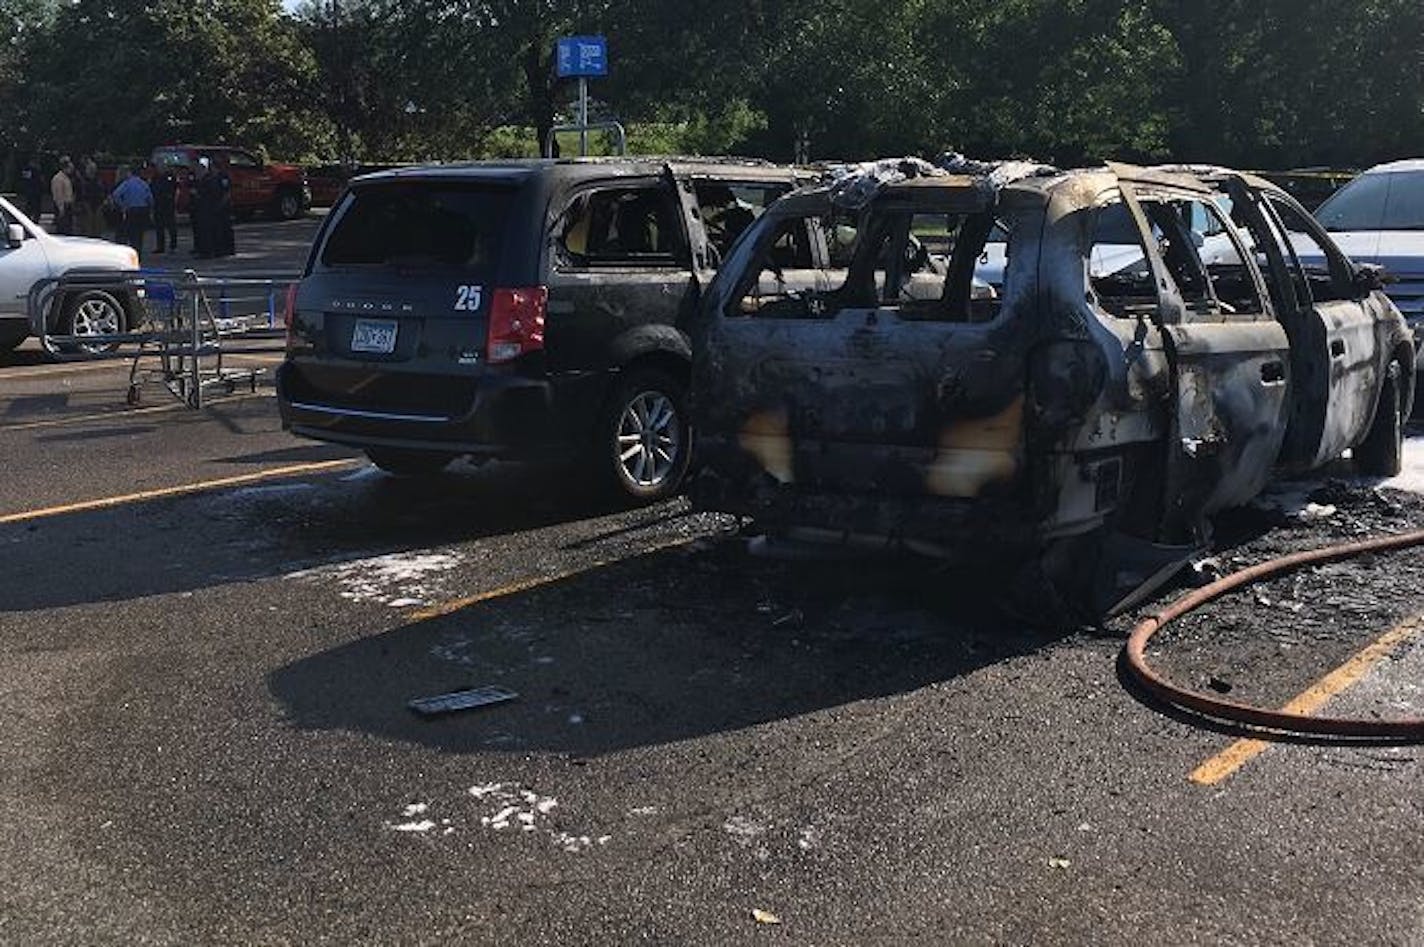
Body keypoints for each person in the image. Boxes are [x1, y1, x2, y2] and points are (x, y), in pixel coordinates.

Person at [109, 163, 154, 257]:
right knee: (139, 234)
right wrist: (149, 209)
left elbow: (116, 195)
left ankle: (127, 253)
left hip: (131, 210)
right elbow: (150, 198)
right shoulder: (143, 183)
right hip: (142, 210)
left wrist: (123, 205)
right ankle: (138, 253)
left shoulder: (127, 183)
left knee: (129, 233)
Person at [151, 163, 178, 254]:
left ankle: (173, 246)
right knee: (159, 227)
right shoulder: (155, 178)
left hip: (168, 204)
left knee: (171, 226)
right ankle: (160, 246)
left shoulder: (170, 177)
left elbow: (174, 189)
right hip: (158, 204)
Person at [77, 157, 107, 238]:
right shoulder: (84, 181)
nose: (91, 170)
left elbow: (104, 191)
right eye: (90, 168)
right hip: (87, 204)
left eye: (93, 168)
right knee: (88, 226)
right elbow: (81, 194)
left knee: (97, 226)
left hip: (98, 204)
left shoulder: (99, 180)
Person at [50, 156, 75, 235]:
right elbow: (58, 194)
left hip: (68, 205)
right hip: (62, 206)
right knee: (62, 227)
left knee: (68, 227)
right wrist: (61, 208)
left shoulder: (66, 178)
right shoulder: (58, 178)